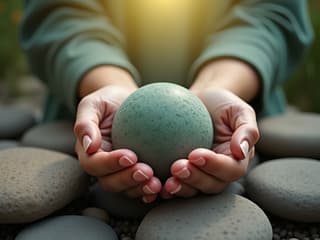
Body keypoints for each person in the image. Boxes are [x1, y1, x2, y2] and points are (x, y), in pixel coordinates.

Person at [20, 0, 313, 203]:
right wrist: (108, 85)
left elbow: (272, 13)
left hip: (232, 109)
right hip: (93, 111)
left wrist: (219, 86)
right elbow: (57, 14)